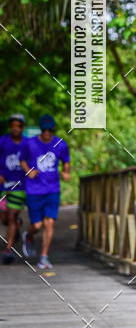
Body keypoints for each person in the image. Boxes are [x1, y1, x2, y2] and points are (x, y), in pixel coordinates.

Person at [20, 114, 70, 270]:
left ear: (53, 129)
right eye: (44, 130)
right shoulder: (30, 143)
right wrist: (29, 171)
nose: (47, 132)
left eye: (49, 130)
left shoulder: (60, 144)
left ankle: (44, 256)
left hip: (52, 189)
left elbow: (66, 161)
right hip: (34, 190)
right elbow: (22, 159)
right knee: (37, 225)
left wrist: (66, 172)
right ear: (41, 130)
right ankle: (28, 235)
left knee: (49, 222)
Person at [0, 113, 29, 264]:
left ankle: (8, 250)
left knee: (11, 216)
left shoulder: (28, 143)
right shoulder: (2, 141)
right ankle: (16, 225)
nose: (15, 128)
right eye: (13, 125)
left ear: (23, 127)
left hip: (20, 187)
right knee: (4, 218)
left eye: (18, 126)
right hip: (2, 186)